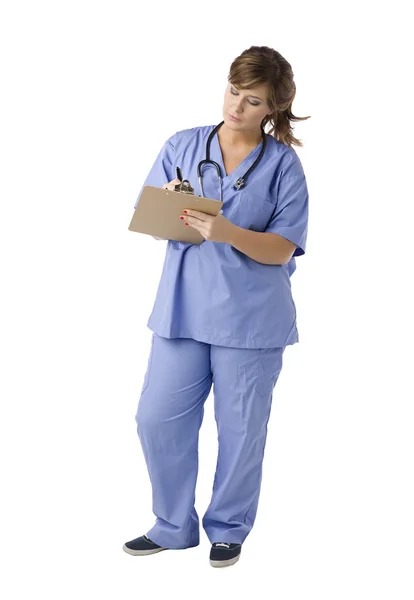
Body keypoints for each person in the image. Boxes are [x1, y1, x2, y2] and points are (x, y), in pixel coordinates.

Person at [123, 45, 310, 568]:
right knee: (156, 419)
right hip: (182, 312)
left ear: (272, 107)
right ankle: (171, 526)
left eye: (253, 101)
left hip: (251, 320)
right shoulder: (182, 145)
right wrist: (174, 203)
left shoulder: (282, 165)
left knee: (241, 431)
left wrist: (226, 231)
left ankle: (228, 528)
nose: (237, 107)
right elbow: (149, 217)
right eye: (233, 92)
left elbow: (282, 247)